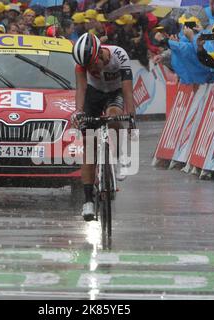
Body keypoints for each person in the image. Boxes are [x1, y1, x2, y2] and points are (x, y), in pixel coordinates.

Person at [70, 32, 135, 221]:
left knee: (114, 115)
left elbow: (128, 91)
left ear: (100, 53)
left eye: (92, 64)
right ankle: (88, 200)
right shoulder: (81, 66)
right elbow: (81, 90)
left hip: (115, 92)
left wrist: (131, 117)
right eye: (86, 66)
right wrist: (78, 112)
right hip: (94, 94)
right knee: (89, 144)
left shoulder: (119, 55)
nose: (91, 68)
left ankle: (119, 155)